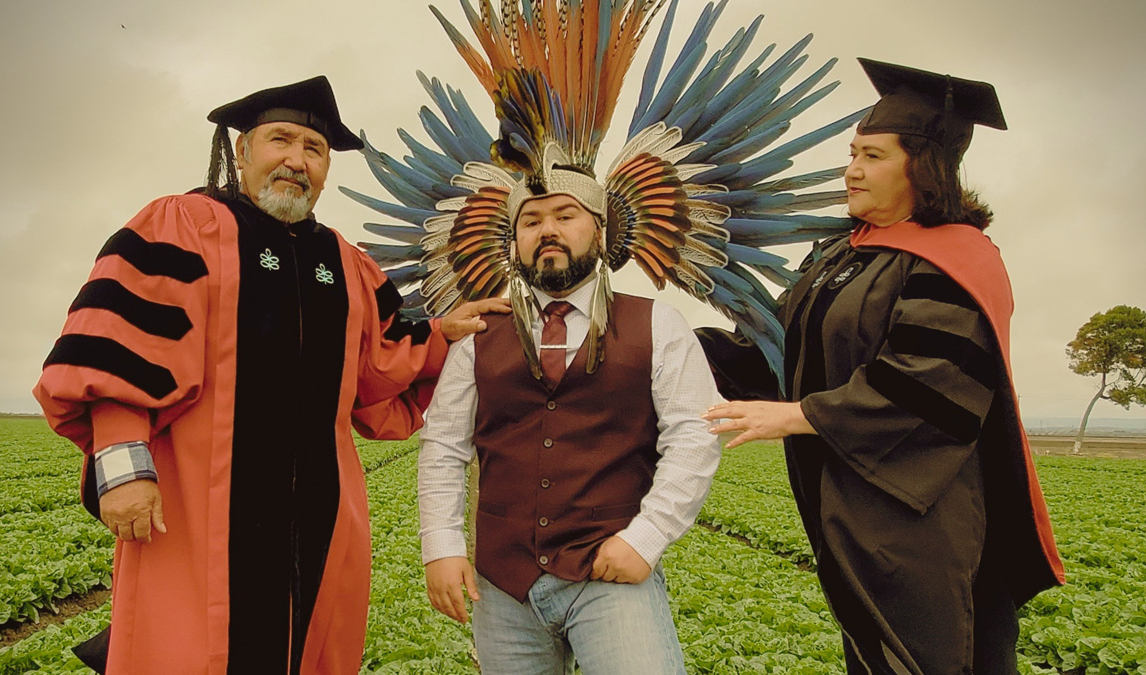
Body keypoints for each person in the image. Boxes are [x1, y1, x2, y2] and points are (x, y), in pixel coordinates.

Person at [33, 75, 507, 675]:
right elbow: (115, 349)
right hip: (195, 516)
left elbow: (383, 367)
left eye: (314, 149)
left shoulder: (346, 264)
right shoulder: (183, 225)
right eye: (280, 141)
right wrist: (123, 468)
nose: (295, 160)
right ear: (242, 151)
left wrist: (445, 334)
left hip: (323, 517)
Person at [698, 59, 1066, 674]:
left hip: (920, 519)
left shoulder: (956, 260)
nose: (851, 170)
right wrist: (655, 341)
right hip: (847, 506)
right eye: (852, 153)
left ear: (922, 166)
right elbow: (769, 351)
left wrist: (799, 415)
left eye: (872, 155)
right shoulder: (839, 258)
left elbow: (929, 384)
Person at [417, 182, 721, 673]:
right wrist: (442, 547)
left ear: (599, 233)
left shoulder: (659, 324)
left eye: (566, 216)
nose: (549, 231)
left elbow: (694, 436)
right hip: (503, 584)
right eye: (531, 222)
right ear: (515, 245)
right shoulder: (476, 337)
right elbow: (443, 449)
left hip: (609, 569)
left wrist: (645, 539)